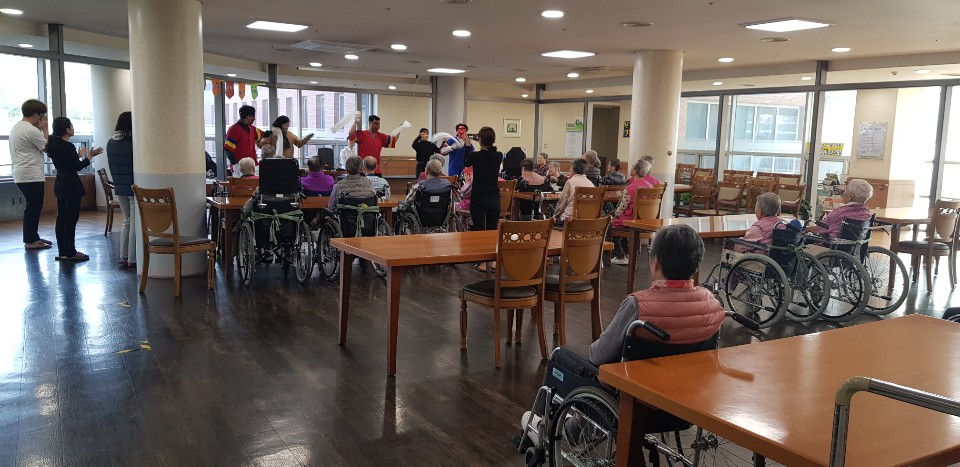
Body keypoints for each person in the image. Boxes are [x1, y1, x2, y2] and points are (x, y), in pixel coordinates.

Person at [589, 223, 726, 365]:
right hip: (693, 377)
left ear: (656, 263)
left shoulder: (636, 305)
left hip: (639, 378)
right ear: (696, 265)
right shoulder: (713, 304)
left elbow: (598, 355)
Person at [46, 117, 102, 262]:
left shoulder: (54, 145)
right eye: (71, 126)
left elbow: (66, 163)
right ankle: (71, 252)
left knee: (61, 219)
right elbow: (77, 167)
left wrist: (78, 155)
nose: (73, 128)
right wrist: (89, 157)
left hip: (60, 183)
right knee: (71, 220)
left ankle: (63, 251)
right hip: (71, 185)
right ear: (67, 129)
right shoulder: (68, 146)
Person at [9, 99, 51, 250]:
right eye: (42, 116)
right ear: (36, 115)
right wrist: (45, 129)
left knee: (32, 206)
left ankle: (33, 236)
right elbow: (48, 147)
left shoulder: (17, 127)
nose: (43, 119)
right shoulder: (30, 130)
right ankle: (31, 240)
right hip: (31, 174)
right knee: (34, 207)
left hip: (20, 172)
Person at [464, 127, 503, 272]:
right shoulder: (498, 155)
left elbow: (466, 162)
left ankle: (482, 263)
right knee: (492, 230)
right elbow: (488, 151)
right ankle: (492, 262)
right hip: (494, 197)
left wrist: (468, 145)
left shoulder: (475, 155)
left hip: (479, 196)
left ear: (480, 140)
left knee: (479, 230)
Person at [106, 111, 137, 268]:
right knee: (134, 223)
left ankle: (123, 256)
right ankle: (133, 258)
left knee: (126, 221)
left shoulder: (110, 143)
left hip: (119, 187)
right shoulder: (132, 144)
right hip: (133, 187)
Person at [609, 160, 655, 265]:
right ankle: (627, 255)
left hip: (630, 220)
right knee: (621, 227)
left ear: (635, 171)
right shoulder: (650, 187)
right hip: (645, 221)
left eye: (633, 167)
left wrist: (613, 216)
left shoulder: (630, 188)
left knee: (611, 226)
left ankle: (620, 256)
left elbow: (621, 208)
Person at [552, 158, 595, 226]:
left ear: (574, 170)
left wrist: (555, 215)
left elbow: (562, 202)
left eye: (570, 168)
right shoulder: (591, 184)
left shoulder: (570, 182)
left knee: (551, 221)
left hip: (569, 220)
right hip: (588, 220)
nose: (570, 170)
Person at [224, 105, 265, 174]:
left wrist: (275, 131)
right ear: (248, 117)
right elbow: (228, 149)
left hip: (252, 166)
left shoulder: (252, 128)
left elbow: (263, 134)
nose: (254, 119)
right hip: (239, 168)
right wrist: (235, 164)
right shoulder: (233, 130)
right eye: (253, 116)